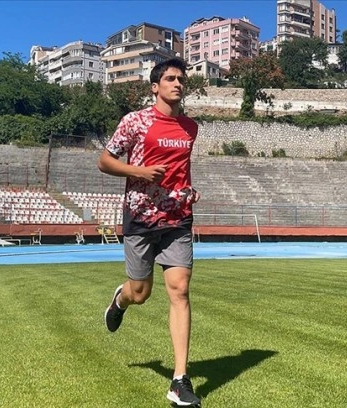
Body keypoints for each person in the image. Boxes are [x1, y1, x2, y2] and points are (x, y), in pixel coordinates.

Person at [98, 57, 201, 407]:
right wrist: (139, 172)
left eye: (181, 79)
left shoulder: (190, 127)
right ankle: (121, 299)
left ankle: (179, 380)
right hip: (141, 217)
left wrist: (189, 191)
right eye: (170, 78)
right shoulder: (135, 121)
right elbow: (105, 161)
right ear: (155, 87)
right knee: (141, 293)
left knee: (180, 290)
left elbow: (181, 169)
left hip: (177, 218)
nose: (178, 84)